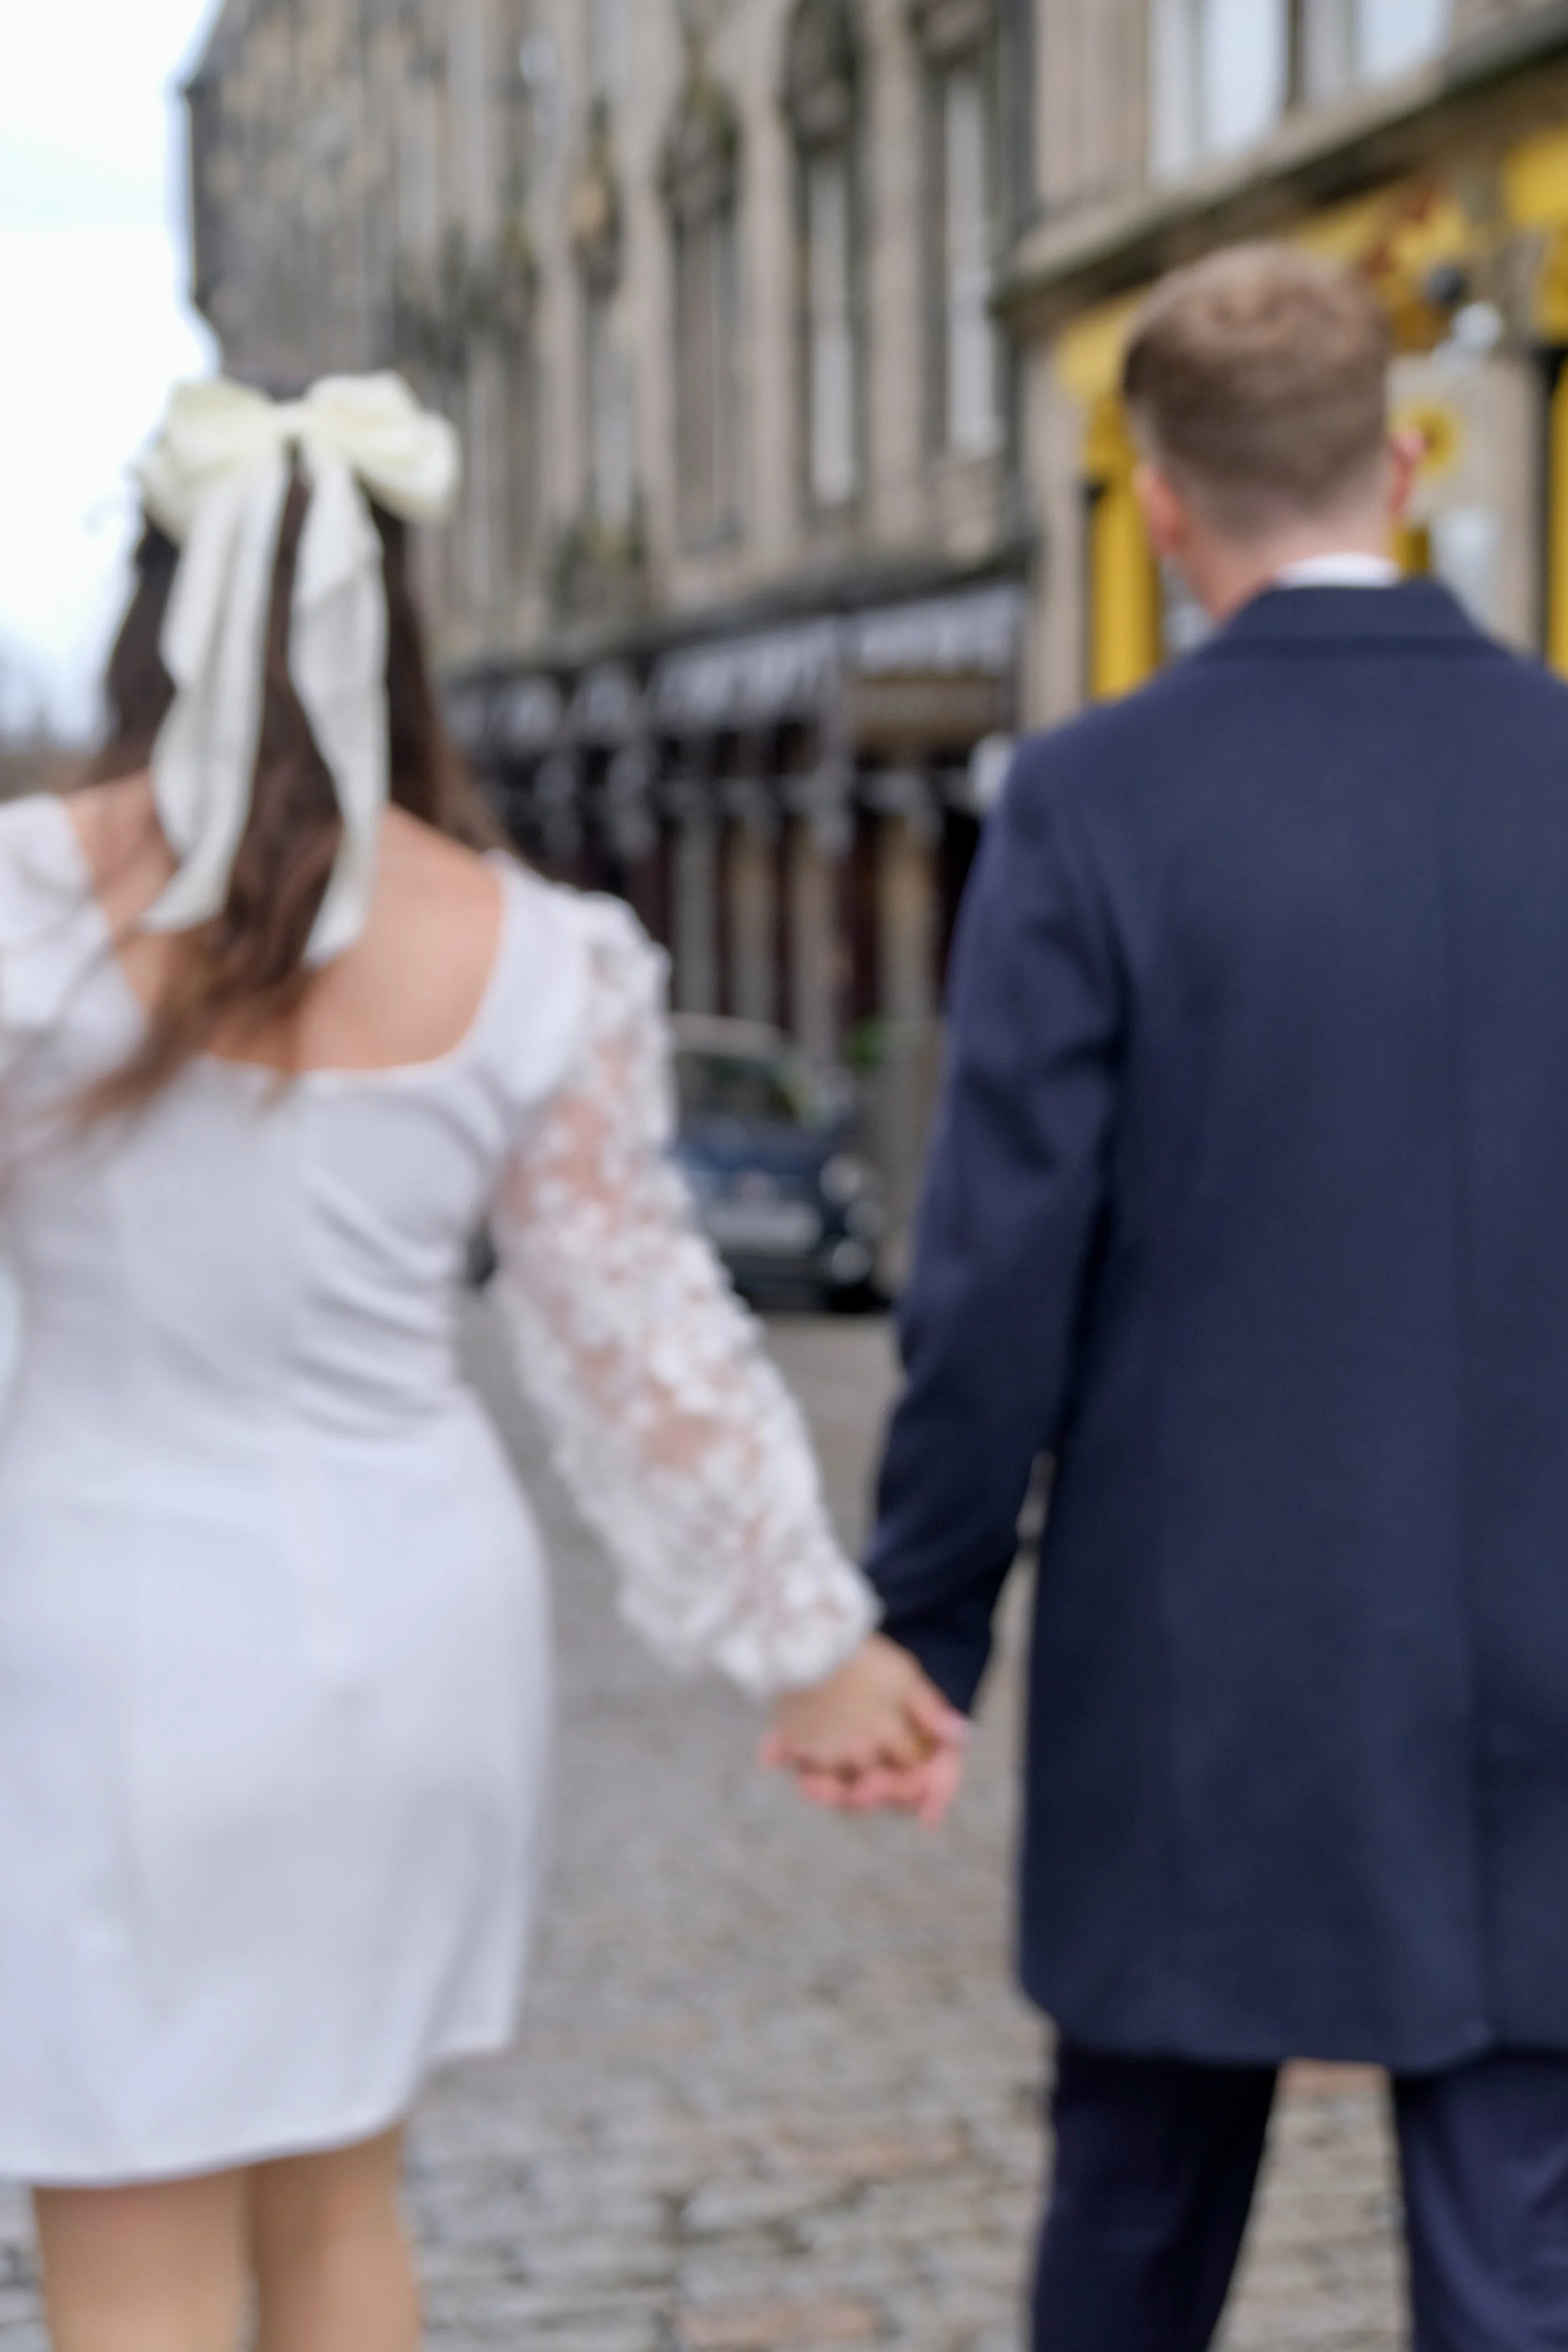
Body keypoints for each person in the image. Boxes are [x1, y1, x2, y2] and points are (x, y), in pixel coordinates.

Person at [0, 373, 963, 2352]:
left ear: (148, 607)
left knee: (133, 2236)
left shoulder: (27, 906)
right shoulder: (534, 949)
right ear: (404, 612)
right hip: (403, 1635)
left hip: (102, 1634)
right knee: (346, 2207)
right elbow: (643, 1341)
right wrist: (818, 1648)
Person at [767, 244, 1568, 2349]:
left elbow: (995, 1264)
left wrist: (923, 1615)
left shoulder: (1093, 803)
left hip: (1208, 1658)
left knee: (1132, 2222)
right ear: (1402, 459)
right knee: (1527, 2245)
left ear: (1155, 495)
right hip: (1549, 1635)